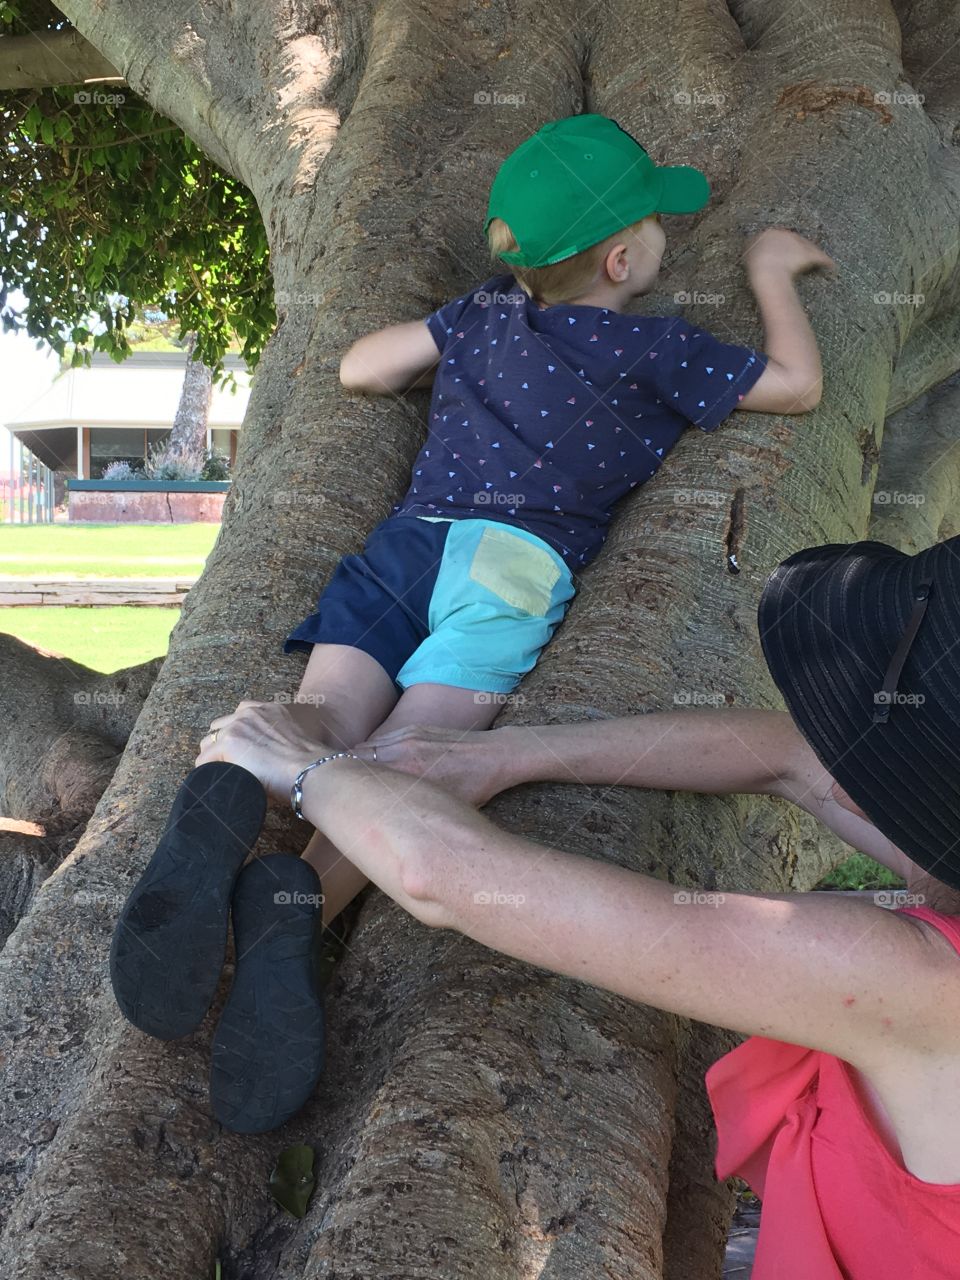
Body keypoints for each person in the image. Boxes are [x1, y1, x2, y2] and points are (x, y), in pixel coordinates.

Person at [111, 111, 833, 1134]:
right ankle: (295, 906)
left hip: (405, 545)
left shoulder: (480, 316)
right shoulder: (658, 349)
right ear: (625, 258)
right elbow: (799, 387)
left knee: (317, 719)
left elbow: (361, 367)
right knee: (414, 753)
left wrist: (449, 331)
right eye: (657, 231)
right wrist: (770, 270)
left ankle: (228, 792)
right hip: (509, 567)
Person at [196, 533, 960, 1277]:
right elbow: (791, 757)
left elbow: (448, 877)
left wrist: (301, 764)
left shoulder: (918, 987)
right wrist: (507, 754)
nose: (850, 764)